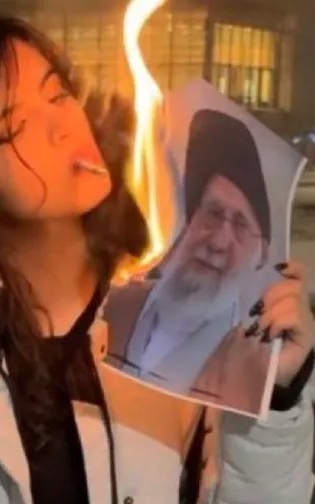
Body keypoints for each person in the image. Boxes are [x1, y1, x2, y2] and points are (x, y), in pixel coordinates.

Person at [0, 15, 313, 504]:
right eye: (13, 128)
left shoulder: (176, 307)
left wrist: (276, 395)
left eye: (57, 94)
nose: (62, 126)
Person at [107, 110, 278, 411]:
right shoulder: (111, 304)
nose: (218, 242)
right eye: (212, 213)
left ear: (261, 253)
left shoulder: (256, 365)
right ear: (187, 221)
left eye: (240, 225)